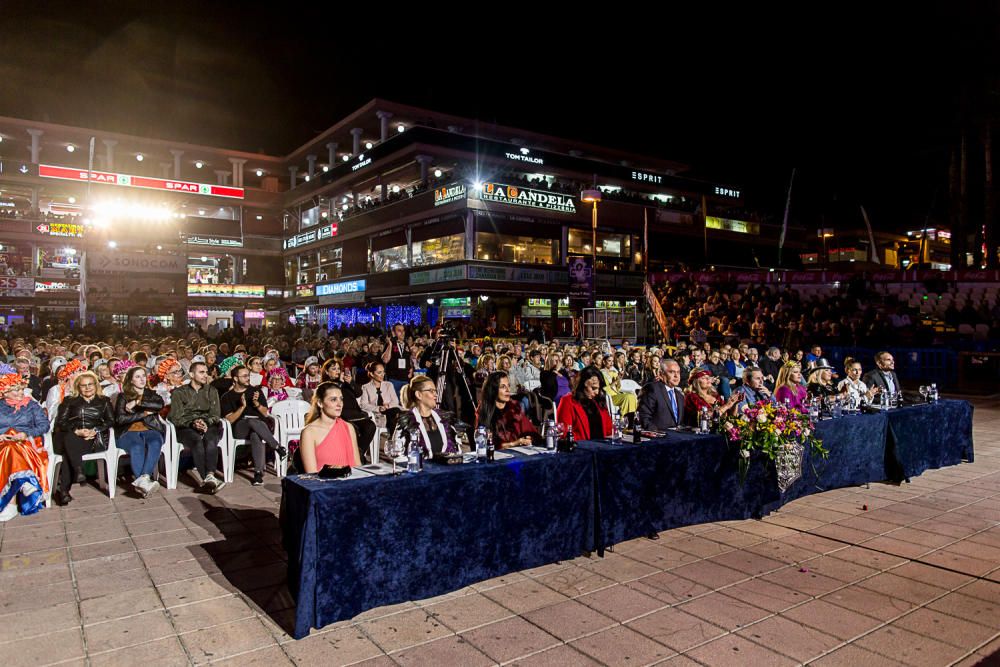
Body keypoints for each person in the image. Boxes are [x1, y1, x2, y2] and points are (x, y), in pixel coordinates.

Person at [53, 372, 115, 504]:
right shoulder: (69, 400)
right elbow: (61, 422)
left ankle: (64, 490)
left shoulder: (104, 400)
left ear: (95, 385)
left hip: (91, 436)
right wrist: (77, 431)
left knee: (67, 453)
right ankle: (79, 469)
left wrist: (95, 430)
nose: (87, 388)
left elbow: (110, 421)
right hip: (70, 433)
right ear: (78, 387)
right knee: (69, 438)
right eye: (83, 385)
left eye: (90, 384)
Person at [220, 364, 286, 486]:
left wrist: (256, 403)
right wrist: (242, 407)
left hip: (260, 427)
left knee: (256, 435)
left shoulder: (255, 391)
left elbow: (266, 413)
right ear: (235, 378)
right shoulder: (227, 397)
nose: (248, 378)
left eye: (248, 375)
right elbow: (229, 420)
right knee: (251, 421)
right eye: (244, 376)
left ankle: (258, 474)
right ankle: (276, 446)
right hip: (240, 428)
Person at [0, 367, 50, 518]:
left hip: (26, 443)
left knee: (11, 449)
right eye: (16, 390)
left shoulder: (31, 405)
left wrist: (26, 433)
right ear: (5, 392)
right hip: (2, 443)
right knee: (8, 448)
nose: (21, 393)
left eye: (21, 389)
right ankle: (25, 483)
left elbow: (44, 425)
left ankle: (12, 503)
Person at [168, 362, 225, 493]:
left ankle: (210, 475)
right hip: (186, 426)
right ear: (192, 374)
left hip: (208, 424)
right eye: (201, 372)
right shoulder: (179, 392)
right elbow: (175, 417)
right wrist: (192, 423)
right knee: (196, 441)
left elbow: (216, 414)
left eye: (206, 372)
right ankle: (208, 478)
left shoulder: (211, 390)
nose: (206, 375)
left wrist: (206, 422)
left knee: (211, 440)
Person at [113, 366, 165, 498]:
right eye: (137, 376)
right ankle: (143, 481)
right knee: (136, 446)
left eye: (143, 376)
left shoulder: (151, 394)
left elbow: (159, 406)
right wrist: (143, 413)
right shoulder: (123, 396)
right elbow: (120, 419)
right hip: (128, 430)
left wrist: (137, 402)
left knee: (155, 442)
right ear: (130, 380)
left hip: (150, 428)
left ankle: (143, 479)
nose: (142, 379)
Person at [298, 382, 361, 472]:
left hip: (352, 482)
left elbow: (358, 466)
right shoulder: (309, 432)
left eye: (341, 399)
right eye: (333, 400)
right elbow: (311, 473)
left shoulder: (348, 427)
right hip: (323, 484)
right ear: (320, 403)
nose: (339, 404)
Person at [393, 375, 460, 457]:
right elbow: (397, 453)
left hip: (445, 468)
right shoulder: (406, 421)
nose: (436, 395)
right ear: (418, 395)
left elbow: (456, 450)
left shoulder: (445, 418)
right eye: (431, 391)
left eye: (435, 391)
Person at [476, 371, 541, 448]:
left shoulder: (514, 407)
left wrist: (529, 438)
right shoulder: (484, 410)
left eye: (508, 386)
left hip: (518, 454)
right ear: (493, 390)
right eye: (503, 387)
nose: (508, 390)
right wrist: (513, 444)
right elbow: (483, 444)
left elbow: (530, 431)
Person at [556, 366, 612, 440]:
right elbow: (563, 432)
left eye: (599, 388)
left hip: (602, 447)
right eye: (593, 388)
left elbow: (609, 429)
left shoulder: (599, 401)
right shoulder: (568, 401)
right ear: (583, 385)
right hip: (580, 447)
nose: (597, 392)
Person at [637, 358, 685, 430]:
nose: (676, 376)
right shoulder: (652, 389)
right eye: (672, 372)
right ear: (660, 374)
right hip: (658, 437)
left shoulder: (680, 395)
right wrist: (657, 434)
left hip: (678, 436)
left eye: (678, 372)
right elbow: (643, 417)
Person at [358, 361, 401, 433]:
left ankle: (392, 436)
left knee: (396, 410)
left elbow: (395, 401)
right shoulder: (366, 387)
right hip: (378, 412)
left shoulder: (389, 385)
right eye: (379, 372)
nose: (382, 375)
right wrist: (378, 408)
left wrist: (387, 406)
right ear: (372, 374)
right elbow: (363, 405)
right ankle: (392, 436)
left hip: (390, 410)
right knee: (395, 413)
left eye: (383, 372)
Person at [381, 323, 412, 394]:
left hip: (405, 378)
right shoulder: (390, 344)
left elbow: (408, 359)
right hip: (393, 379)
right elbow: (385, 360)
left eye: (403, 331)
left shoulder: (406, 345)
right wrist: (390, 344)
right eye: (399, 331)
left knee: (404, 402)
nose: (402, 333)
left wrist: (411, 369)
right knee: (393, 402)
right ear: (393, 332)